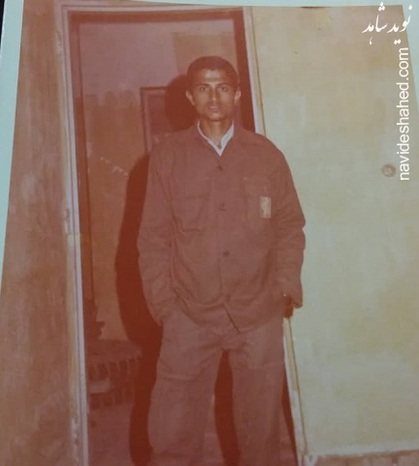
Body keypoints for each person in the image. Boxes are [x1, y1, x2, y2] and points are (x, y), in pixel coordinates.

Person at [138, 55, 305, 466]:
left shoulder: (267, 155)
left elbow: (289, 225)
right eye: (204, 88)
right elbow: (153, 238)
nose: (214, 97)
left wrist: (285, 285)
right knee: (172, 433)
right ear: (190, 97)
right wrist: (165, 306)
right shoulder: (167, 157)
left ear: (237, 95)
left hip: (258, 312)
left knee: (260, 436)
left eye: (223, 87)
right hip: (189, 313)